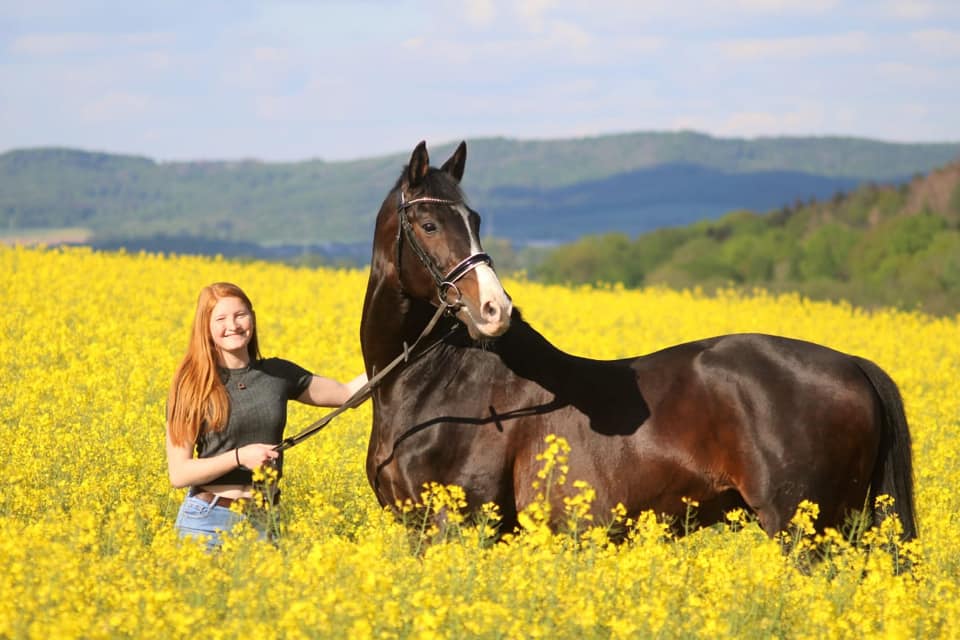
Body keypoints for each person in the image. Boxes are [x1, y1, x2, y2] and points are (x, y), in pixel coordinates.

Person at [165, 282, 366, 548]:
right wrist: (239, 457)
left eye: (240, 315)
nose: (233, 325)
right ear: (206, 327)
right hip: (207, 522)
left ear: (252, 318)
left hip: (264, 521)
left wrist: (404, 356)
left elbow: (346, 394)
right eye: (221, 319)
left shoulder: (277, 374)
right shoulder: (191, 385)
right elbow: (179, 473)